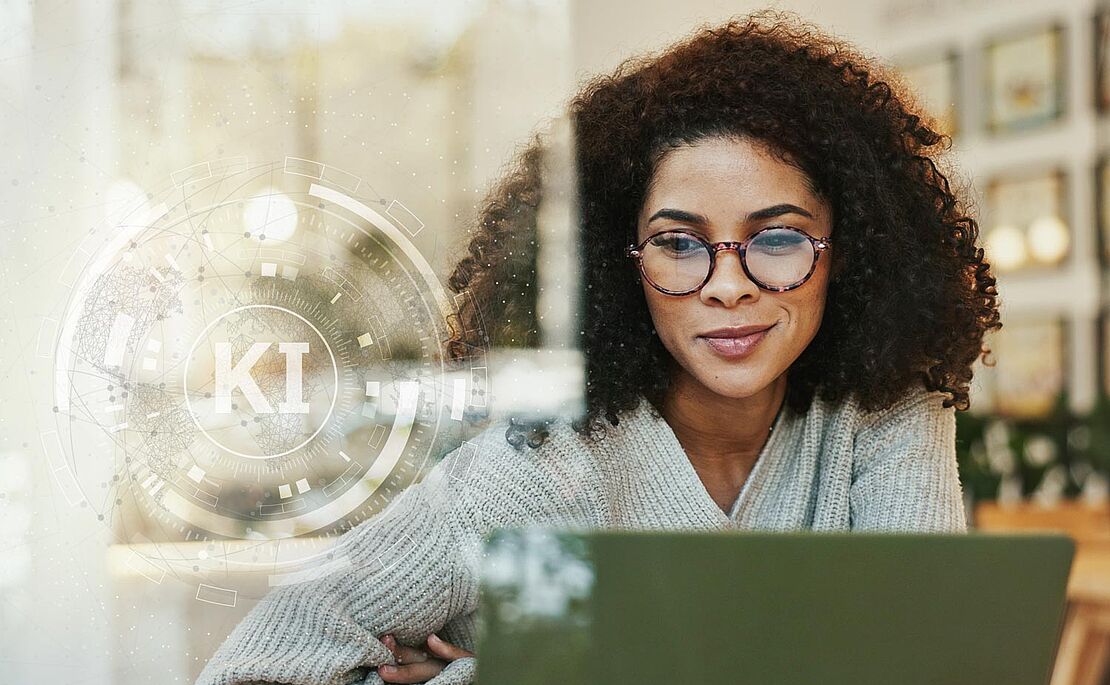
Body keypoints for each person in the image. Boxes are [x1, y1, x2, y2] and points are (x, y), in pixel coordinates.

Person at [196, 9, 1001, 685]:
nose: (728, 285)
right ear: (621, 269)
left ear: (848, 249)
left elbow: (927, 667)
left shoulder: (888, 416)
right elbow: (253, 664)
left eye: (778, 238)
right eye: (680, 244)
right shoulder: (543, 463)